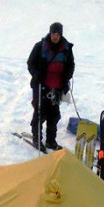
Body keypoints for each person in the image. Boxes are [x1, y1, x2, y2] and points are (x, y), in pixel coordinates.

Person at [27, 21, 74, 150]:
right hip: (42, 86)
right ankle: (37, 139)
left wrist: (66, 79)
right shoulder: (40, 46)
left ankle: (51, 141)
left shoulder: (66, 49)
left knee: (54, 115)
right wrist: (36, 75)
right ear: (50, 33)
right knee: (40, 113)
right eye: (53, 33)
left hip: (57, 87)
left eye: (58, 34)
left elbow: (70, 66)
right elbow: (30, 63)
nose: (55, 36)